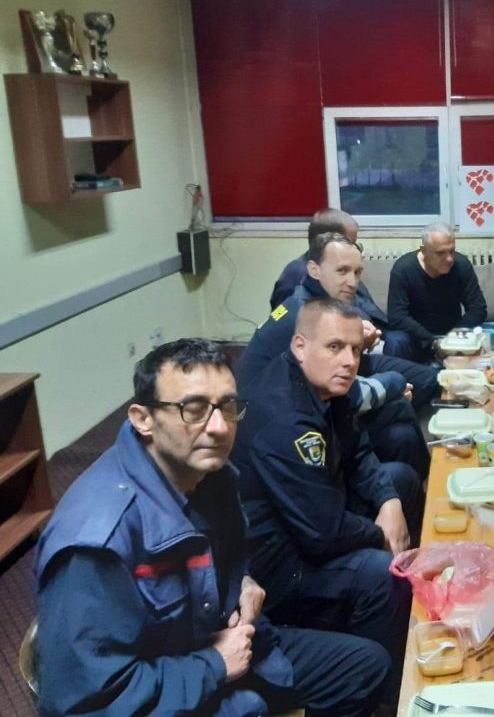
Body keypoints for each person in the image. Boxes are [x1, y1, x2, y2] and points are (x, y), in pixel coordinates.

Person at [34, 339, 389, 717]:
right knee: (249, 707)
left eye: (228, 406)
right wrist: (214, 664)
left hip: (212, 643)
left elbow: (212, 565)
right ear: (142, 419)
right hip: (174, 682)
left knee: (365, 667)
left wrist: (240, 584)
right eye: (194, 409)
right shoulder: (96, 543)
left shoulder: (206, 473)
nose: (219, 428)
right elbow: (86, 702)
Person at [233, 298, 423, 708]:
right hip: (279, 567)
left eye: (355, 349)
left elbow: (358, 451)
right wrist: (380, 534)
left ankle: (400, 609)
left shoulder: (327, 384)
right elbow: (323, 534)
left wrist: (389, 501)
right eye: (335, 347)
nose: (349, 361)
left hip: (315, 514)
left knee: (400, 480)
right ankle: (384, 694)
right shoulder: (285, 417)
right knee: (383, 573)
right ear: (300, 347)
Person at [240, 232, 432, 477]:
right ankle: (426, 484)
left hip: (312, 397)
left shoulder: (313, 300)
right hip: (279, 424)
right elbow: (347, 394)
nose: (353, 282)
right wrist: (393, 384)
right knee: (398, 411)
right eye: (342, 271)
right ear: (314, 270)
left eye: (357, 272)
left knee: (401, 422)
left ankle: (423, 484)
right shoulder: (305, 314)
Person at [269, 208, 388, 329]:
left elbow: (362, 305)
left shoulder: (339, 268)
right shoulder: (296, 277)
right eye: (350, 242)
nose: (352, 283)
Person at [385, 222, 487, 363]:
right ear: (424, 250)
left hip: (453, 336)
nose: (449, 258)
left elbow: (478, 308)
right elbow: (397, 316)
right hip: (417, 337)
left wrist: (453, 337)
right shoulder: (403, 269)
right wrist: (432, 341)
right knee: (395, 340)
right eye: (440, 253)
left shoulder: (461, 265)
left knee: (488, 332)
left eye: (451, 251)